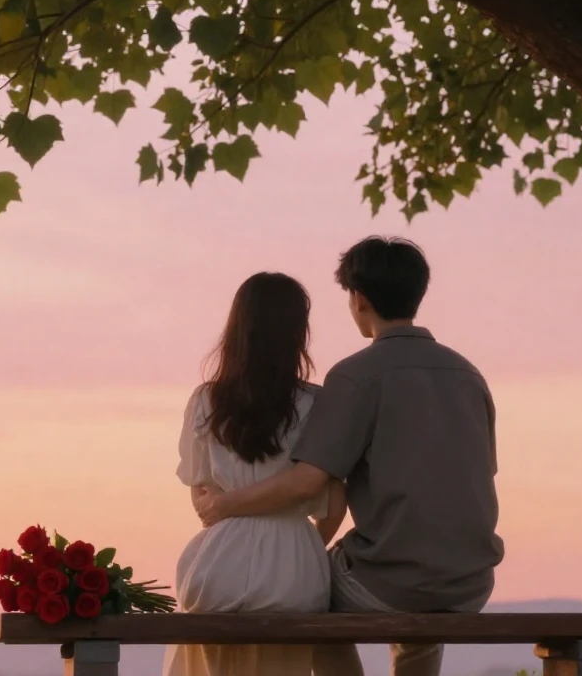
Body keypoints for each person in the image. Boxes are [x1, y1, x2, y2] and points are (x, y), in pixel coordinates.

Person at [194, 237, 504, 676]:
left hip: (393, 582)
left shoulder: (357, 376)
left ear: (358, 300)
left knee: (305, 586)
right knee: (417, 608)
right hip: (471, 583)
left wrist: (223, 505)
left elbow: (307, 481)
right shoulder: (468, 374)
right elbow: (482, 471)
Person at [164, 272, 349, 676]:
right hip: (294, 561)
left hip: (220, 559)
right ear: (298, 332)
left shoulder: (205, 401)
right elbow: (334, 506)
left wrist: (228, 510)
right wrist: (303, 545)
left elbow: (203, 497)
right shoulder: (317, 404)